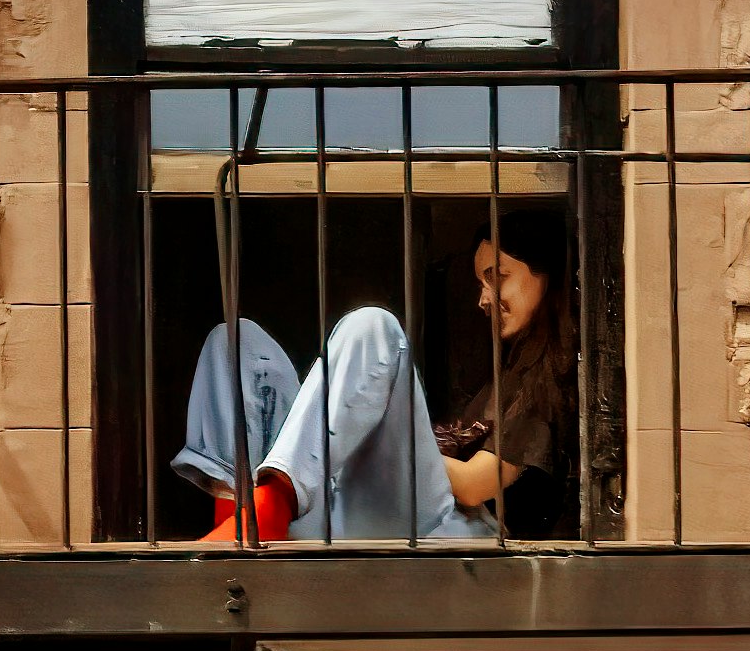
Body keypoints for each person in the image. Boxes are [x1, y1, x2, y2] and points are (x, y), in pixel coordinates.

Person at [175, 233, 571, 544]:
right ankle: (243, 515)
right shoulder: (500, 379)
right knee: (237, 342)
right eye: (479, 281)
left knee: (373, 327)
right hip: (354, 512)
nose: (483, 298)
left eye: (496, 276)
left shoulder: (542, 385)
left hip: (445, 533)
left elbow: (471, 486)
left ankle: (273, 500)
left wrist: (369, 432)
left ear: (547, 275)